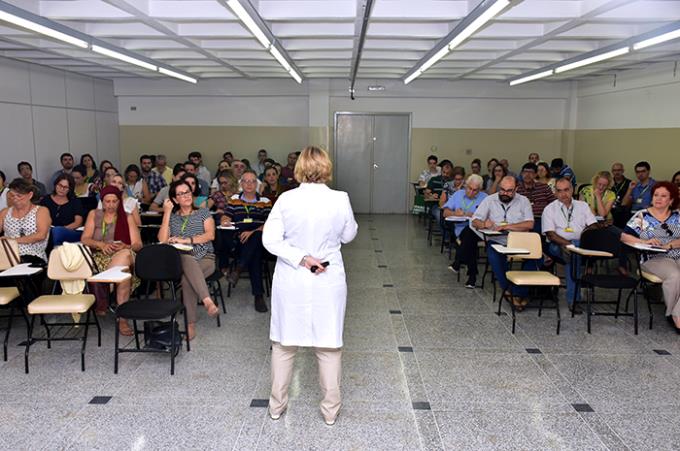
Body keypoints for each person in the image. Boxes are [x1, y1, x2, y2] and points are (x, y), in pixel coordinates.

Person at [262, 146, 358, 426]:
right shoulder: (340, 199)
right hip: (328, 278)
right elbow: (349, 234)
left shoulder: (285, 199)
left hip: (292, 278)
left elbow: (270, 239)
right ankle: (330, 411)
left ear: (299, 168)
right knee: (328, 346)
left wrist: (301, 257)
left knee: (284, 345)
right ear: (326, 167)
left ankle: (277, 406)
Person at [158, 180, 220, 340]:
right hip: (180, 260)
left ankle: (190, 324)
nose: (185, 196)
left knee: (187, 280)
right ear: (175, 199)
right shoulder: (172, 217)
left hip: (205, 258)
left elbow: (210, 235)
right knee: (186, 258)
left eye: (187, 192)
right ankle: (208, 300)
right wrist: (166, 213)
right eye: (180, 194)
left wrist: (187, 240)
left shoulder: (203, 213)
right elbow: (163, 240)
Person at [620, 181, 680, 331]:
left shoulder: (678, 216)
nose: (658, 198)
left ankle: (677, 313)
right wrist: (644, 241)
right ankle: (674, 316)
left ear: (671, 200)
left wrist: (670, 244)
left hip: (676, 254)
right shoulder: (642, 216)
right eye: (656, 195)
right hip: (653, 259)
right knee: (675, 275)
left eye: (663, 196)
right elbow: (624, 237)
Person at [81, 186, 142, 322]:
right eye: (107, 201)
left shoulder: (127, 217)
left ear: (119, 202)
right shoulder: (94, 214)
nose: (111, 205)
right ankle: (122, 319)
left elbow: (138, 245)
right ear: (102, 202)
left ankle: (105, 287)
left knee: (125, 254)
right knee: (124, 272)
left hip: (123, 254)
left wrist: (125, 245)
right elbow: (85, 239)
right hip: (99, 257)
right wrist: (101, 244)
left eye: (114, 201)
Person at [471, 176, 534, 308]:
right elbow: (475, 220)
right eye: (502, 190)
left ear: (516, 189)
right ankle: (509, 290)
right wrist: (483, 223)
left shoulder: (524, 201)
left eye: (509, 191)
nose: (505, 193)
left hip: (519, 241)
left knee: (536, 259)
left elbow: (529, 224)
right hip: (496, 240)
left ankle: (518, 292)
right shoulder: (490, 200)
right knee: (494, 256)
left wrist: (506, 226)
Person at [542, 178, 598, 313]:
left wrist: (576, 245)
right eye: (559, 191)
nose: (563, 194)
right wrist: (570, 245)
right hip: (557, 245)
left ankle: (574, 298)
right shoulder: (549, 209)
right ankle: (574, 299)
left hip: (580, 245)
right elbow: (551, 235)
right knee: (573, 255)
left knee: (572, 256)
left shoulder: (583, 206)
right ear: (555, 192)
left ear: (572, 190)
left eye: (566, 190)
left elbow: (593, 226)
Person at [221, 170, 272, 312]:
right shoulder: (234, 199)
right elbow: (226, 217)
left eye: (253, 181)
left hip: (260, 240)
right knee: (254, 254)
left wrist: (253, 232)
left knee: (255, 240)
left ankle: (238, 268)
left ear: (257, 184)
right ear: (241, 184)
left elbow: (271, 223)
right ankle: (258, 296)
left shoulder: (265, 201)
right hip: (238, 241)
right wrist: (225, 221)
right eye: (246, 181)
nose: (249, 184)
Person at [0, 178, 51, 300]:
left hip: (33, 255)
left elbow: (41, 235)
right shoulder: (5, 212)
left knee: (17, 265)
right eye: (12, 195)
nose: (15, 198)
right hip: (7, 256)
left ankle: (25, 300)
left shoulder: (41, 211)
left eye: (19, 195)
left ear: (30, 195)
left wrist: (12, 241)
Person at [444, 174, 487, 284]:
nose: (471, 192)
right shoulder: (458, 194)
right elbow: (445, 212)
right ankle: (472, 276)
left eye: (475, 190)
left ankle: (459, 262)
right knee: (469, 238)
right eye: (469, 188)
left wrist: (475, 217)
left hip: (479, 231)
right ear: (465, 186)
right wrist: (455, 213)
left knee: (469, 232)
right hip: (460, 231)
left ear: (480, 189)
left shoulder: (485, 198)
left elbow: (490, 218)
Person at [40, 173, 84, 246]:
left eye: (65, 187)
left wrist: (62, 229)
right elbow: (40, 219)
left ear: (70, 189)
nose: (62, 189)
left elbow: (78, 222)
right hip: (47, 231)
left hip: (68, 231)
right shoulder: (46, 200)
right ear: (55, 185)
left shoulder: (75, 202)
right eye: (60, 185)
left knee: (57, 232)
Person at [516, 162, 555, 231]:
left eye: (531, 172)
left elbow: (554, 204)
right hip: (521, 220)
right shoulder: (516, 189)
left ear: (535, 174)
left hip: (541, 219)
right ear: (521, 174)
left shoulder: (544, 187)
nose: (527, 175)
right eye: (525, 172)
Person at [610, 162, 632, 228]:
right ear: (612, 172)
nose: (617, 172)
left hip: (624, 211)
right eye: (614, 170)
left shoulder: (629, 183)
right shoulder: (609, 183)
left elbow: (629, 200)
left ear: (623, 171)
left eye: (619, 170)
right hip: (610, 209)